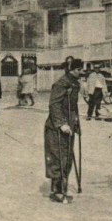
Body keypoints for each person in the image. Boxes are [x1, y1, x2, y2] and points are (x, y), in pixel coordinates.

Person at [44, 57, 82, 203]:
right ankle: (56, 190)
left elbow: (73, 106)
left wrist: (76, 123)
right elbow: (54, 105)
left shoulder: (74, 84)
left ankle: (62, 186)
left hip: (70, 124)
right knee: (56, 156)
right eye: (78, 69)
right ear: (71, 69)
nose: (81, 72)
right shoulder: (61, 84)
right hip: (56, 127)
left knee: (67, 156)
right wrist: (61, 124)